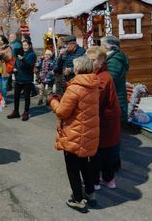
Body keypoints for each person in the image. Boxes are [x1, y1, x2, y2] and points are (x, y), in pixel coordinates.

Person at [48, 56, 99, 213]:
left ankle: (77, 199)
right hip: (88, 130)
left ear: (78, 69)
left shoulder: (75, 87)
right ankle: (90, 193)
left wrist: (52, 101)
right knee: (84, 164)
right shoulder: (94, 85)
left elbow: (63, 112)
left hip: (74, 132)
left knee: (72, 167)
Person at [86, 46, 121, 190]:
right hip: (107, 120)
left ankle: (96, 181)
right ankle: (108, 179)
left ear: (100, 60)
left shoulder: (103, 78)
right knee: (106, 151)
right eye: (88, 59)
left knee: (99, 152)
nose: (89, 62)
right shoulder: (100, 74)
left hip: (105, 121)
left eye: (92, 60)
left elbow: (95, 99)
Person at [101, 36, 129, 126]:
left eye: (101, 45)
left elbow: (110, 80)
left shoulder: (115, 61)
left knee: (117, 133)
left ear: (108, 47)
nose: (100, 47)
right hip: (114, 98)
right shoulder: (111, 58)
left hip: (116, 100)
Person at [7, 39, 36, 121]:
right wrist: (14, 68)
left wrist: (23, 59)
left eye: (26, 45)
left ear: (29, 46)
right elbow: (16, 62)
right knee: (16, 96)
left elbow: (30, 66)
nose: (24, 47)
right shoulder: (19, 53)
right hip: (18, 78)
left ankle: (26, 112)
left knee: (27, 97)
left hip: (27, 79)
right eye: (23, 45)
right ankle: (16, 112)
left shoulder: (32, 55)